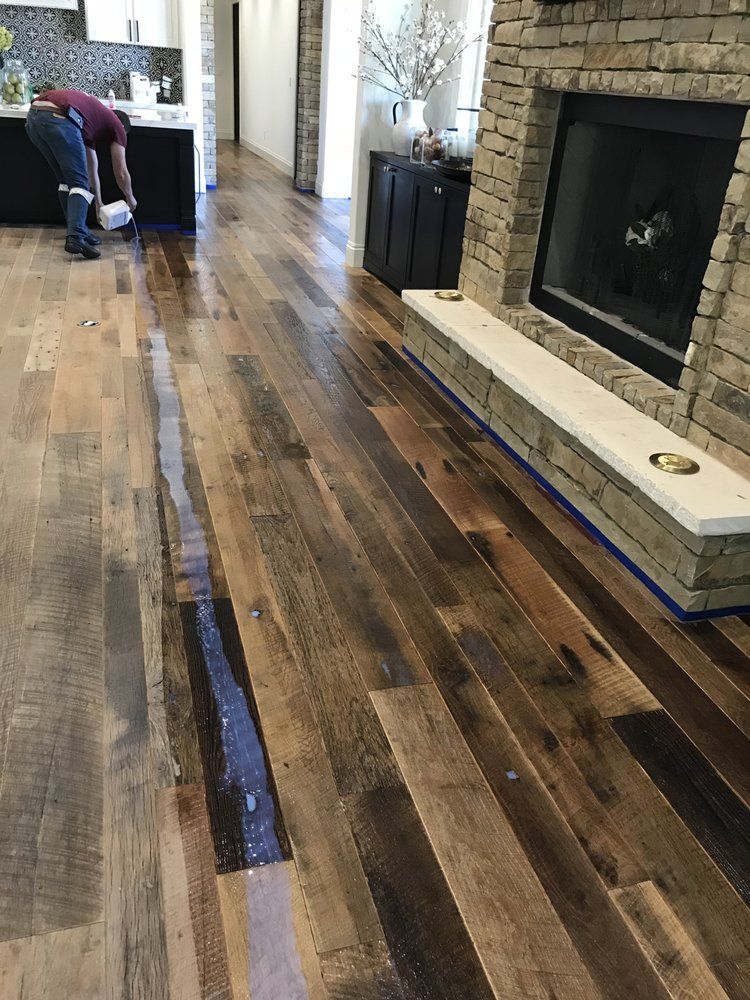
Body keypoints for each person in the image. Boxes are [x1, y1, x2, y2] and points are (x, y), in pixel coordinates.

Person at [25, 88, 138, 260]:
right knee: (79, 182)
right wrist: (130, 198)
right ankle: (76, 237)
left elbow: (92, 168)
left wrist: (98, 203)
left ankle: (80, 230)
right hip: (58, 118)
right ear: (122, 126)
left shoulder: (90, 122)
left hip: (35, 117)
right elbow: (121, 172)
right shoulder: (117, 125)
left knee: (67, 180)